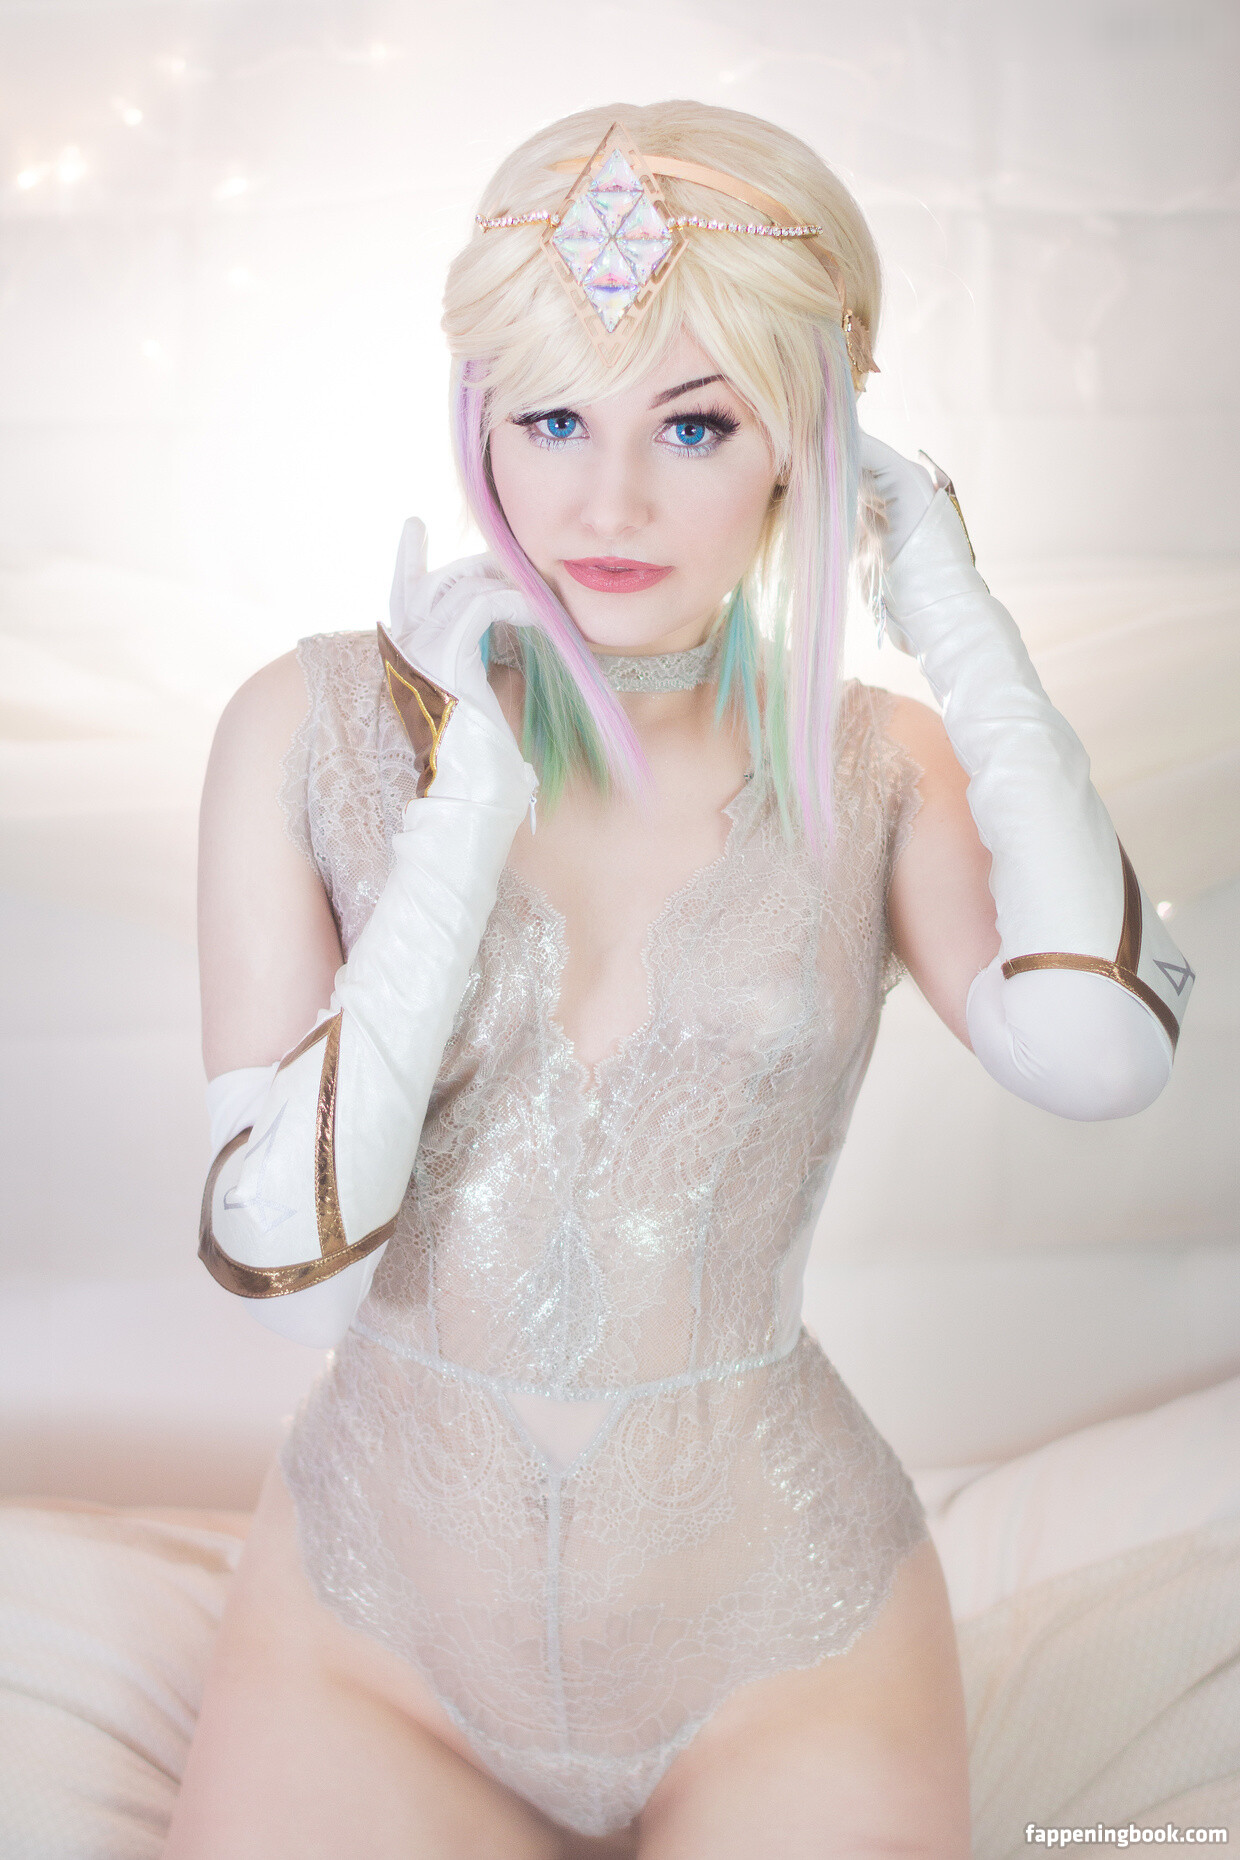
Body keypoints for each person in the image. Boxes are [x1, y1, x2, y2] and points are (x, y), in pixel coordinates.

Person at [165, 102, 1193, 1860]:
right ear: (481, 416)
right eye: (554, 417)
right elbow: (293, 1282)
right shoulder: (309, 727)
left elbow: (1102, 1054)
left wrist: (952, 609)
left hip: (784, 1641)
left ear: (806, 439)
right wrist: (462, 810)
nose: (610, 502)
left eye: (696, 423)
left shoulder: (881, 768)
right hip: (372, 1639)